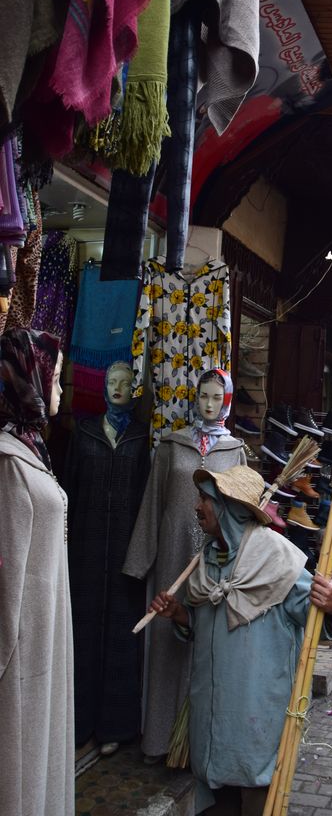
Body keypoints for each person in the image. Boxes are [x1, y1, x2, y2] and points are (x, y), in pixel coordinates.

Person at [149, 464, 332, 815]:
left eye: (205, 499)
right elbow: (204, 625)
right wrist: (180, 614)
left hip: (257, 714)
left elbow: (318, 622)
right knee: (216, 801)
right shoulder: (207, 561)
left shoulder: (277, 559)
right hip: (211, 712)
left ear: (230, 507)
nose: (196, 507)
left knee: (256, 797)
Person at [123, 368, 246, 761]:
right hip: (173, 553)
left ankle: (197, 747)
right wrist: (139, 560)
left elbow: (241, 513)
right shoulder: (172, 446)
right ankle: (160, 740)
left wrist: (238, 559)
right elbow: (153, 503)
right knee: (166, 637)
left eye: (216, 397)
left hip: (213, 560)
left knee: (206, 640)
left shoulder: (235, 452)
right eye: (203, 395)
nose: (209, 404)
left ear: (227, 401)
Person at [0, 328, 74, 815]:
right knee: (24, 764)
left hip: (45, 634)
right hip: (21, 649)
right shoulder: (7, 461)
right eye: (56, 378)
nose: (60, 389)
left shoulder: (32, 449)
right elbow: (6, 567)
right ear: (31, 377)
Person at [64, 361, 151, 754]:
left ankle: (115, 727)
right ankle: (79, 723)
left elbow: (145, 500)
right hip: (85, 552)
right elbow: (68, 492)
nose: (118, 388)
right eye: (112, 382)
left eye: (125, 383)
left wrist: (141, 555)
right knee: (82, 637)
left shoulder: (141, 439)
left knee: (121, 638)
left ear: (134, 389)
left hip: (123, 556)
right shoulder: (83, 434)